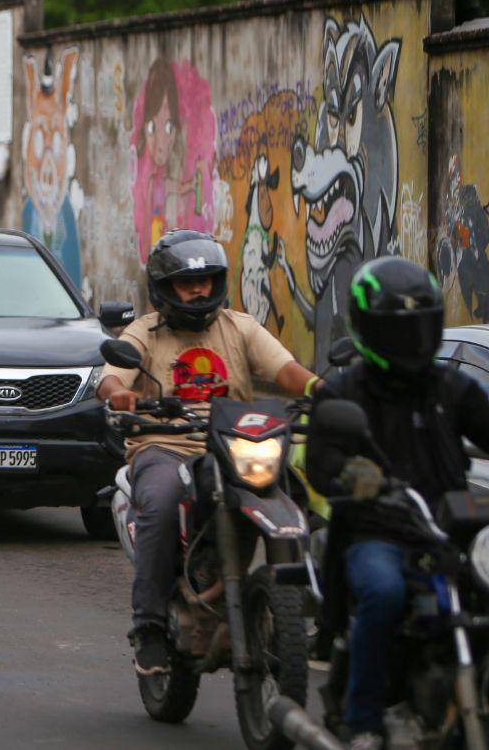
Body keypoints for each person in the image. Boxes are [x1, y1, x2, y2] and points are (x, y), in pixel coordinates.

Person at [95, 229, 317, 677]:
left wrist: (323, 390)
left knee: (301, 498)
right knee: (157, 504)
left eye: (207, 281)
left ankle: (307, 608)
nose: (199, 290)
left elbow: (286, 371)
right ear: (164, 287)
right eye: (186, 282)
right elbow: (111, 377)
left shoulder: (239, 327)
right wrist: (120, 393)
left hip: (233, 445)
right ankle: (150, 628)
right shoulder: (146, 332)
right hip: (165, 446)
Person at [305, 257, 489, 749]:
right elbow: (321, 463)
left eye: (420, 328)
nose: (412, 343)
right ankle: (363, 722)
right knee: (384, 594)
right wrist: (352, 476)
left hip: (449, 528)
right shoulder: (344, 393)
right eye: (398, 332)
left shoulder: (451, 387)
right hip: (375, 529)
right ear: (370, 330)